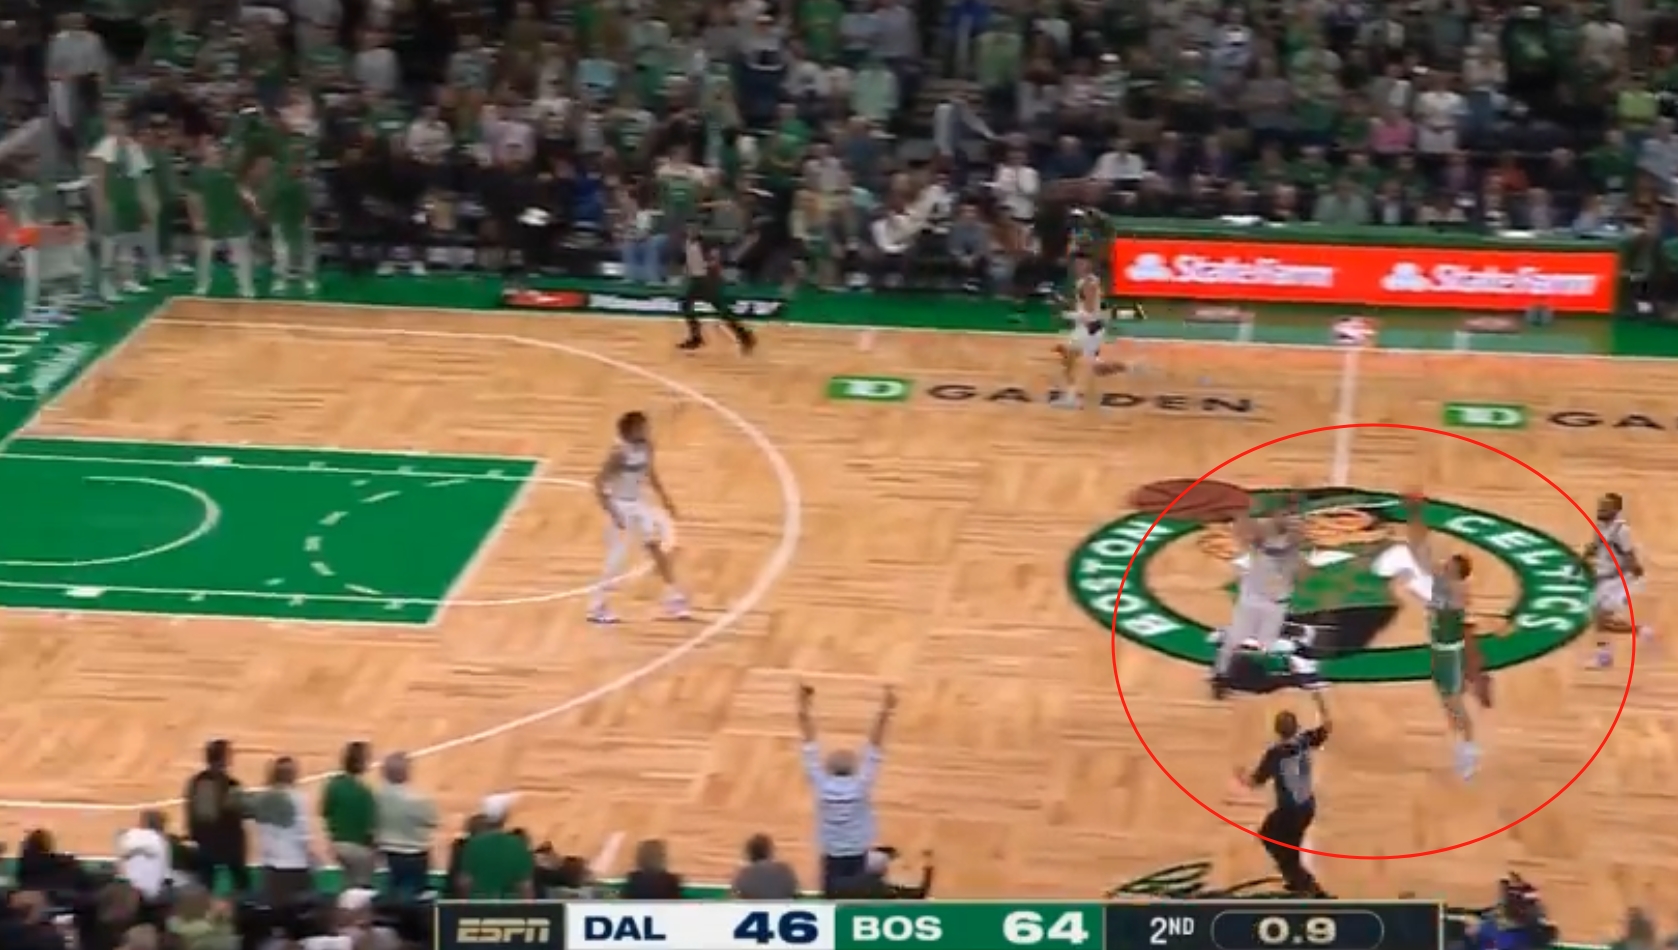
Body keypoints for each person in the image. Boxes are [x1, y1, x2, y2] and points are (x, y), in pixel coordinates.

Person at [588, 410, 690, 624]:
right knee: (616, 560)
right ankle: (596, 605)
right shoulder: (618, 453)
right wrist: (613, 512)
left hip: (637, 504)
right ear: (630, 430)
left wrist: (666, 499)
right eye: (642, 427)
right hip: (619, 505)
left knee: (654, 547)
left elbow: (651, 475)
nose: (647, 429)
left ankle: (674, 597)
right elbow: (597, 483)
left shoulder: (647, 447)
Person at [797, 682, 897, 896]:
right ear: (854, 769)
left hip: (831, 852)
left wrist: (803, 707)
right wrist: (885, 711)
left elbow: (809, 744)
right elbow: (874, 747)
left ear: (828, 768)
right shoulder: (861, 785)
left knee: (830, 893)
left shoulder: (821, 784)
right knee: (858, 893)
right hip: (857, 852)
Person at [1233, 689, 1331, 898]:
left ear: (1277, 730)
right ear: (1296, 727)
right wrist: (1320, 701)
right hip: (1307, 806)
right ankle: (1297, 881)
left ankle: (1311, 889)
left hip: (1290, 811)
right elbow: (1328, 726)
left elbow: (1255, 782)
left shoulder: (1275, 754)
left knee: (1277, 843)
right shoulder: (1304, 740)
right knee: (1276, 839)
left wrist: (1240, 776)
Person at [1213, 495, 1305, 700]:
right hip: (1251, 598)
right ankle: (1220, 678)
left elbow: (1293, 541)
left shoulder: (1295, 536)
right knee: (1234, 640)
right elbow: (1248, 533)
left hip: (1276, 602)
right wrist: (1239, 514)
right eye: (1285, 514)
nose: (1288, 518)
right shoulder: (1263, 532)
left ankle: (1255, 676)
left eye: (1292, 514)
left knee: (1266, 644)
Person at [1587, 492, 1650, 668]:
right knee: (1600, 621)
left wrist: (1609, 576)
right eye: (1600, 505)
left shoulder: (1621, 531)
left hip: (1618, 580)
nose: (1601, 509)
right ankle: (1605, 655)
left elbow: (1631, 561)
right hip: (1605, 578)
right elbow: (1594, 547)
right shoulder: (1600, 526)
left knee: (1601, 619)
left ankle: (1638, 631)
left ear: (1615, 510)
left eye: (1605, 507)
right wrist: (1581, 564)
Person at [677, 232, 757, 354]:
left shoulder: (706, 243)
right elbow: (688, 262)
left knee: (719, 309)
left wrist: (708, 269)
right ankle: (744, 336)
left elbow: (714, 261)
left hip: (706, 280)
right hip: (698, 280)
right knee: (688, 305)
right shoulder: (689, 244)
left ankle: (745, 336)